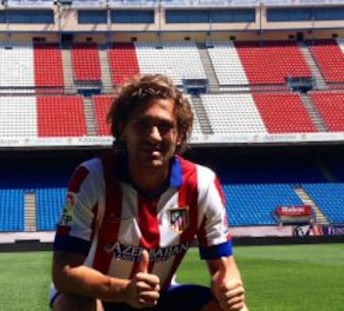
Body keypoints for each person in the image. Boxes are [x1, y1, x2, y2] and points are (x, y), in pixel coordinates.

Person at [50, 73, 248, 311]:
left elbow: (224, 266)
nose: (154, 136)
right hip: (99, 292)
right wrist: (125, 291)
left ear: (179, 135)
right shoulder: (92, 178)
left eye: (165, 126)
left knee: (232, 309)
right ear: (123, 129)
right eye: (143, 124)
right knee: (74, 305)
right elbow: (64, 273)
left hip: (158, 294)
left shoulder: (202, 183)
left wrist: (228, 284)